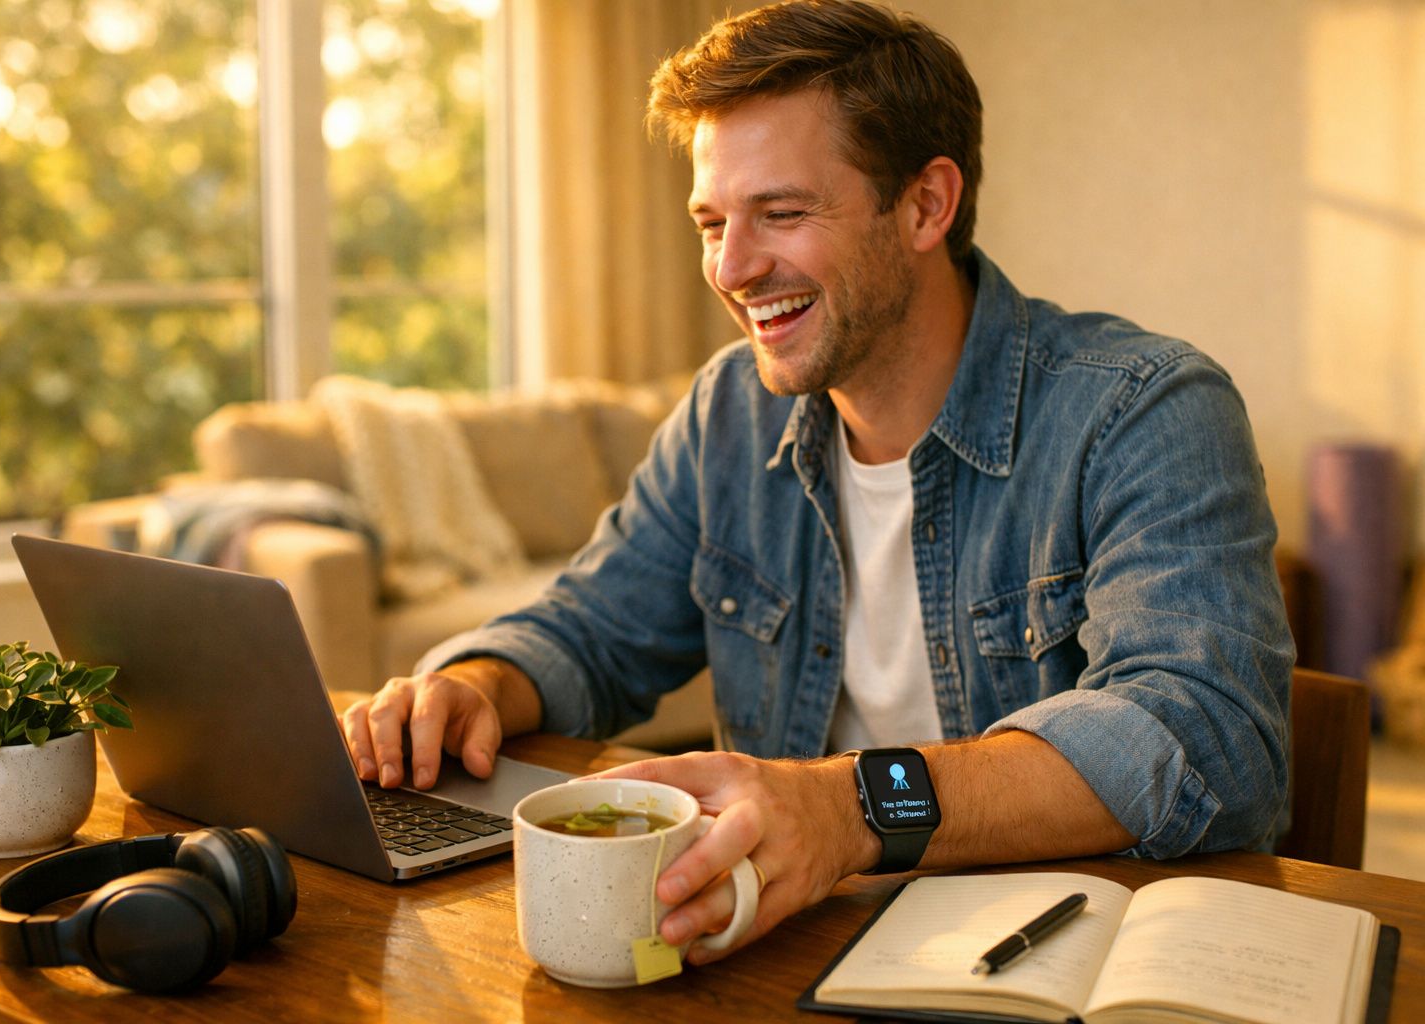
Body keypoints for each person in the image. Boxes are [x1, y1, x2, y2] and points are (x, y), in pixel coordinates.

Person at [342, 0, 1293, 964]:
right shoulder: (731, 412)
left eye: (782, 213)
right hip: (795, 945)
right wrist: (473, 686)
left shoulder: (1144, 409)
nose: (733, 268)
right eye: (712, 222)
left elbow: (1205, 735)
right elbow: (593, 632)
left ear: (927, 204)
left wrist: (849, 807)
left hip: (1053, 958)